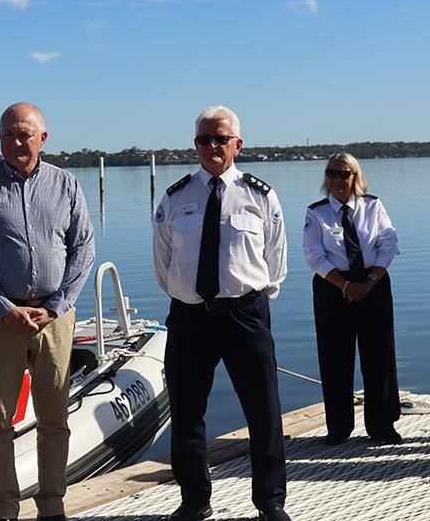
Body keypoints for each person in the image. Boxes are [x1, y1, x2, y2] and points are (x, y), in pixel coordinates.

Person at [0, 102, 95, 521]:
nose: (16, 142)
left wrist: (56, 306)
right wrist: (2, 308)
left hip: (54, 317)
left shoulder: (66, 185)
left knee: (55, 418)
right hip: (0, 320)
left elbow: (83, 249)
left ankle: (52, 504)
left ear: (42, 139)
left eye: (24, 134)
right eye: (8, 135)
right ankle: (4, 510)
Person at [153, 106, 290, 521]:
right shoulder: (176, 197)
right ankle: (194, 500)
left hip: (245, 314)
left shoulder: (260, 196)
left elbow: (276, 263)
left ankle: (270, 502)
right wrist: (187, 296)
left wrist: (252, 300)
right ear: (195, 145)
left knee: (263, 410)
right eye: (204, 140)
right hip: (190, 316)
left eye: (221, 139)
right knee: (188, 410)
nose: (212, 147)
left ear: (238, 144)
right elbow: (163, 264)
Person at [303, 152, 401, 445]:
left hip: (375, 283)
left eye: (343, 174)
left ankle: (382, 425)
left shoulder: (373, 206)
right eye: (331, 173)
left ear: (355, 177)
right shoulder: (316, 213)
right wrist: (345, 286)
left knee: (380, 356)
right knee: (334, 357)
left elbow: (389, 242)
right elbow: (314, 255)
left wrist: (369, 282)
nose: (337, 180)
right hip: (333, 288)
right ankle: (339, 427)